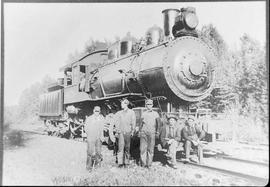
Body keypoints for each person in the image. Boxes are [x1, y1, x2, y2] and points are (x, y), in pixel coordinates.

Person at [114, 99, 136, 168]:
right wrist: (117, 131)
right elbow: (117, 123)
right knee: (120, 148)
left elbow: (133, 122)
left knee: (127, 148)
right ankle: (120, 163)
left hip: (128, 132)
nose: (121, 105)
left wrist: (132, 131)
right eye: (121, 104)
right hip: (121, 133)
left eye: (122, 104)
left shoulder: (131, 112)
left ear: (126, 104)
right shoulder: (119, 113)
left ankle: (126, 163)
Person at [139, 99, 161, 168]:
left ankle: (149, 164)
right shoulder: (143, 113)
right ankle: (143, 164)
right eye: (148, 104)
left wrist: (157, 132)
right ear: (146, 105)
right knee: (143, 149)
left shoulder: (156, 114)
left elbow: (159, 124)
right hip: (144, 133)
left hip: (152, 133)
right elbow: (140, 123)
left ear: (152, 105)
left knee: (150, 149)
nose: (149, 106)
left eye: (150, 104)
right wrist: (140, 131)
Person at [84, 106, 105, 171]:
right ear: (93, 111)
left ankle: (97, 168)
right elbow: (86, 128)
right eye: (95, 111)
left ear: (100, 111)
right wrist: (90, 135)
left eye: (98, 111)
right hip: (91, 137)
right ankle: (88, 168)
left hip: (98, 138)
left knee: (98, 153)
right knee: (90, 152)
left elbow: (102, 129)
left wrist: (102, 136)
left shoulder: (101, 118)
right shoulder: (89, 118)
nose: (96, 112)